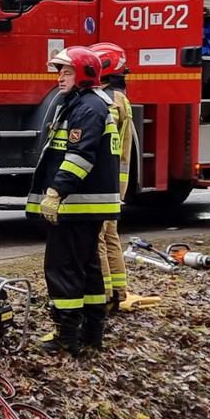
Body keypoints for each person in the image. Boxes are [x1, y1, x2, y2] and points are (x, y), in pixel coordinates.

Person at [27, 46, 121, 354]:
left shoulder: (88, 108)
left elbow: (80, 156)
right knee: (88, 267)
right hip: (87, 204)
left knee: (63, 267)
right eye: (59, 72)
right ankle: (92, 333)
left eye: (67, 72)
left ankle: (65, 336)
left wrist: (56, 192)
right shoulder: (83, 104)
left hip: (77, 204)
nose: (60, 78)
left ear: (83, 74)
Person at [90, 42, 158, 314]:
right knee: (110, 236)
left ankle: (105, 295)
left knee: (98, 237)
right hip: (115, 181)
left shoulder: (110, 101)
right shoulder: (119, 97)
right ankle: (117, 290)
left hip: (106, 182)